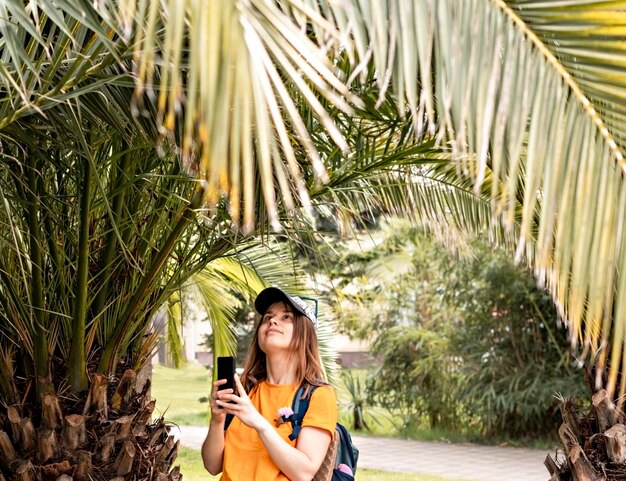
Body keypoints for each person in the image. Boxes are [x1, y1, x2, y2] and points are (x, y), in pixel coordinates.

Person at [201, 287, 338, 481]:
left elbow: (304, 472)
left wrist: (258, 423)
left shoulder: (317, 395)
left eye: (286, 317)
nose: (273, 320)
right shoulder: (245, 390)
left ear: (304, 334)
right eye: (268, 317)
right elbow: (212, 465)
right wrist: (217, 420)